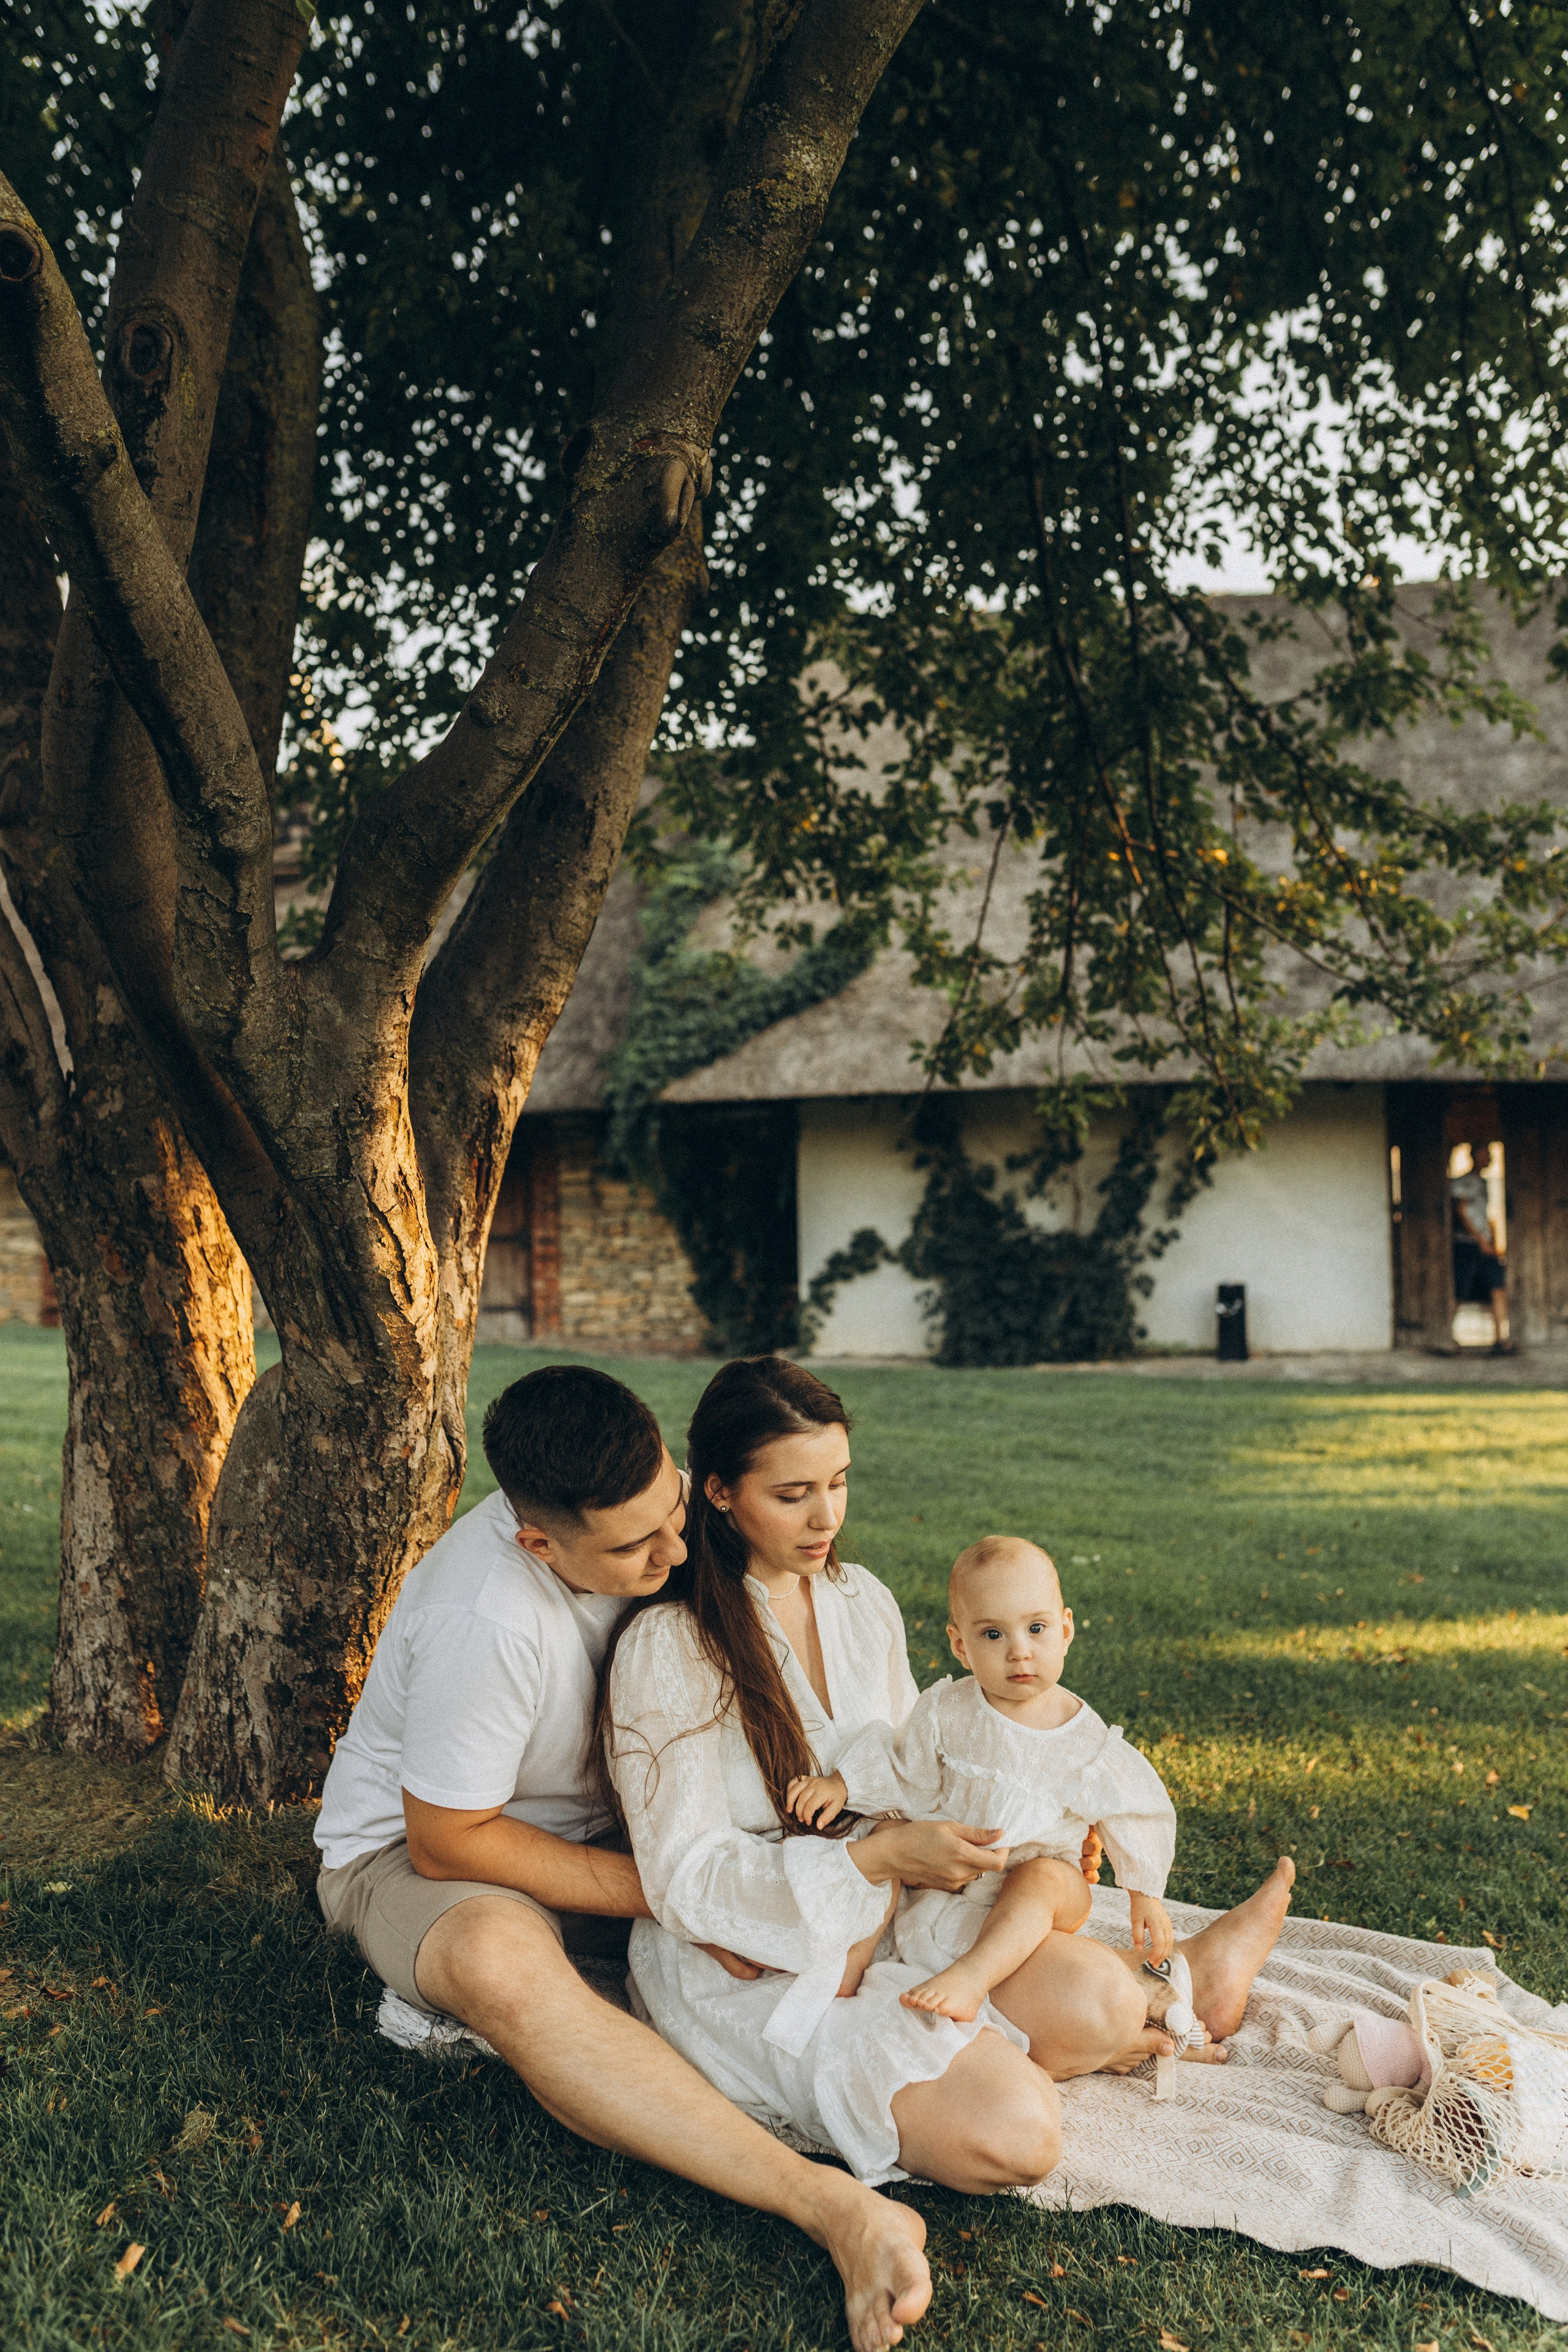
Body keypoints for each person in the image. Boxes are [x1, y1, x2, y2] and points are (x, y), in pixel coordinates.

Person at [314, 1365, 933, 2352]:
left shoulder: (658, 1510)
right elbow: (447, 1837)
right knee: (499, 1965)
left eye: (676, 1509)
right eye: (638, 1544)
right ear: (538, 1543)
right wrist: (682, 1901)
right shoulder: (490, 1621)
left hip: (619, 1831)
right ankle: (828, 2205)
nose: (678, 1548)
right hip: (433, 1858)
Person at [599, 1355, 1295, 2196]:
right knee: (1018, 2135)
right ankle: (1094, 2028)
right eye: (793, 1495)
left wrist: (1014, 1829)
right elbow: (683, 1878)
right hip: (754, 1959)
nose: (827, 1518)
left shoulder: (863, 1603)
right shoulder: (671, 1647)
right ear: (718, 1492)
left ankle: (1175, 1984)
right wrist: (879, 1860)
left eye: (840, 1483)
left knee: (1093, 1999)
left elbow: (921, 1763)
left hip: (908, 1908)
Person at [786, 1535, 1188, 2034]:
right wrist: (844, 1784)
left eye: (1036, 1629)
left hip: (1047, 1884)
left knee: (1040, 1879)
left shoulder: (1084, 1739)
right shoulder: (947, 1710)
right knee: (884, 1846)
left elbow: (1135, 1808)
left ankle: (971, 1980)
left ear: (1065, 1631)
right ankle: (846, 1971)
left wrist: (1143, 1892)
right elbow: (903, 1763)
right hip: (956, 1880)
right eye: (993, 1635)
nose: (1019, 1652)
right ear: (961, 1646)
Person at [1450, 1144, 1512, 1354]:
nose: (1490, 1158)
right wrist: (1480, 1241)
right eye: (1486, 1154)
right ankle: (1448, 1335)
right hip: (1469, 1245)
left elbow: (1484, 1216)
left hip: (1484, 1243)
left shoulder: (1482, 1183)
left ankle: (1501, 1339)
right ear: (1476, 1156)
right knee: (1462, 1289)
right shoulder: (1464, 1183)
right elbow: (1462, 1212)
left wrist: (1492, 1240)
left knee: (1498, 1285)